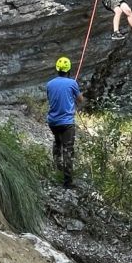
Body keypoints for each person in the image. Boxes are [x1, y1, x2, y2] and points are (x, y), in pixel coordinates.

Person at [46, 57, 83, 189]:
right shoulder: (72, 83)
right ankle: (67, 182)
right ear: (69, 70)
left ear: (57, 69)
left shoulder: (49, 84)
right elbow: (80, 100)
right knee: (68, 150)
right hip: (66, 122)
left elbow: (52, 98)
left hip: (53, 122)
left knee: (57, 143)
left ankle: (57, 170)